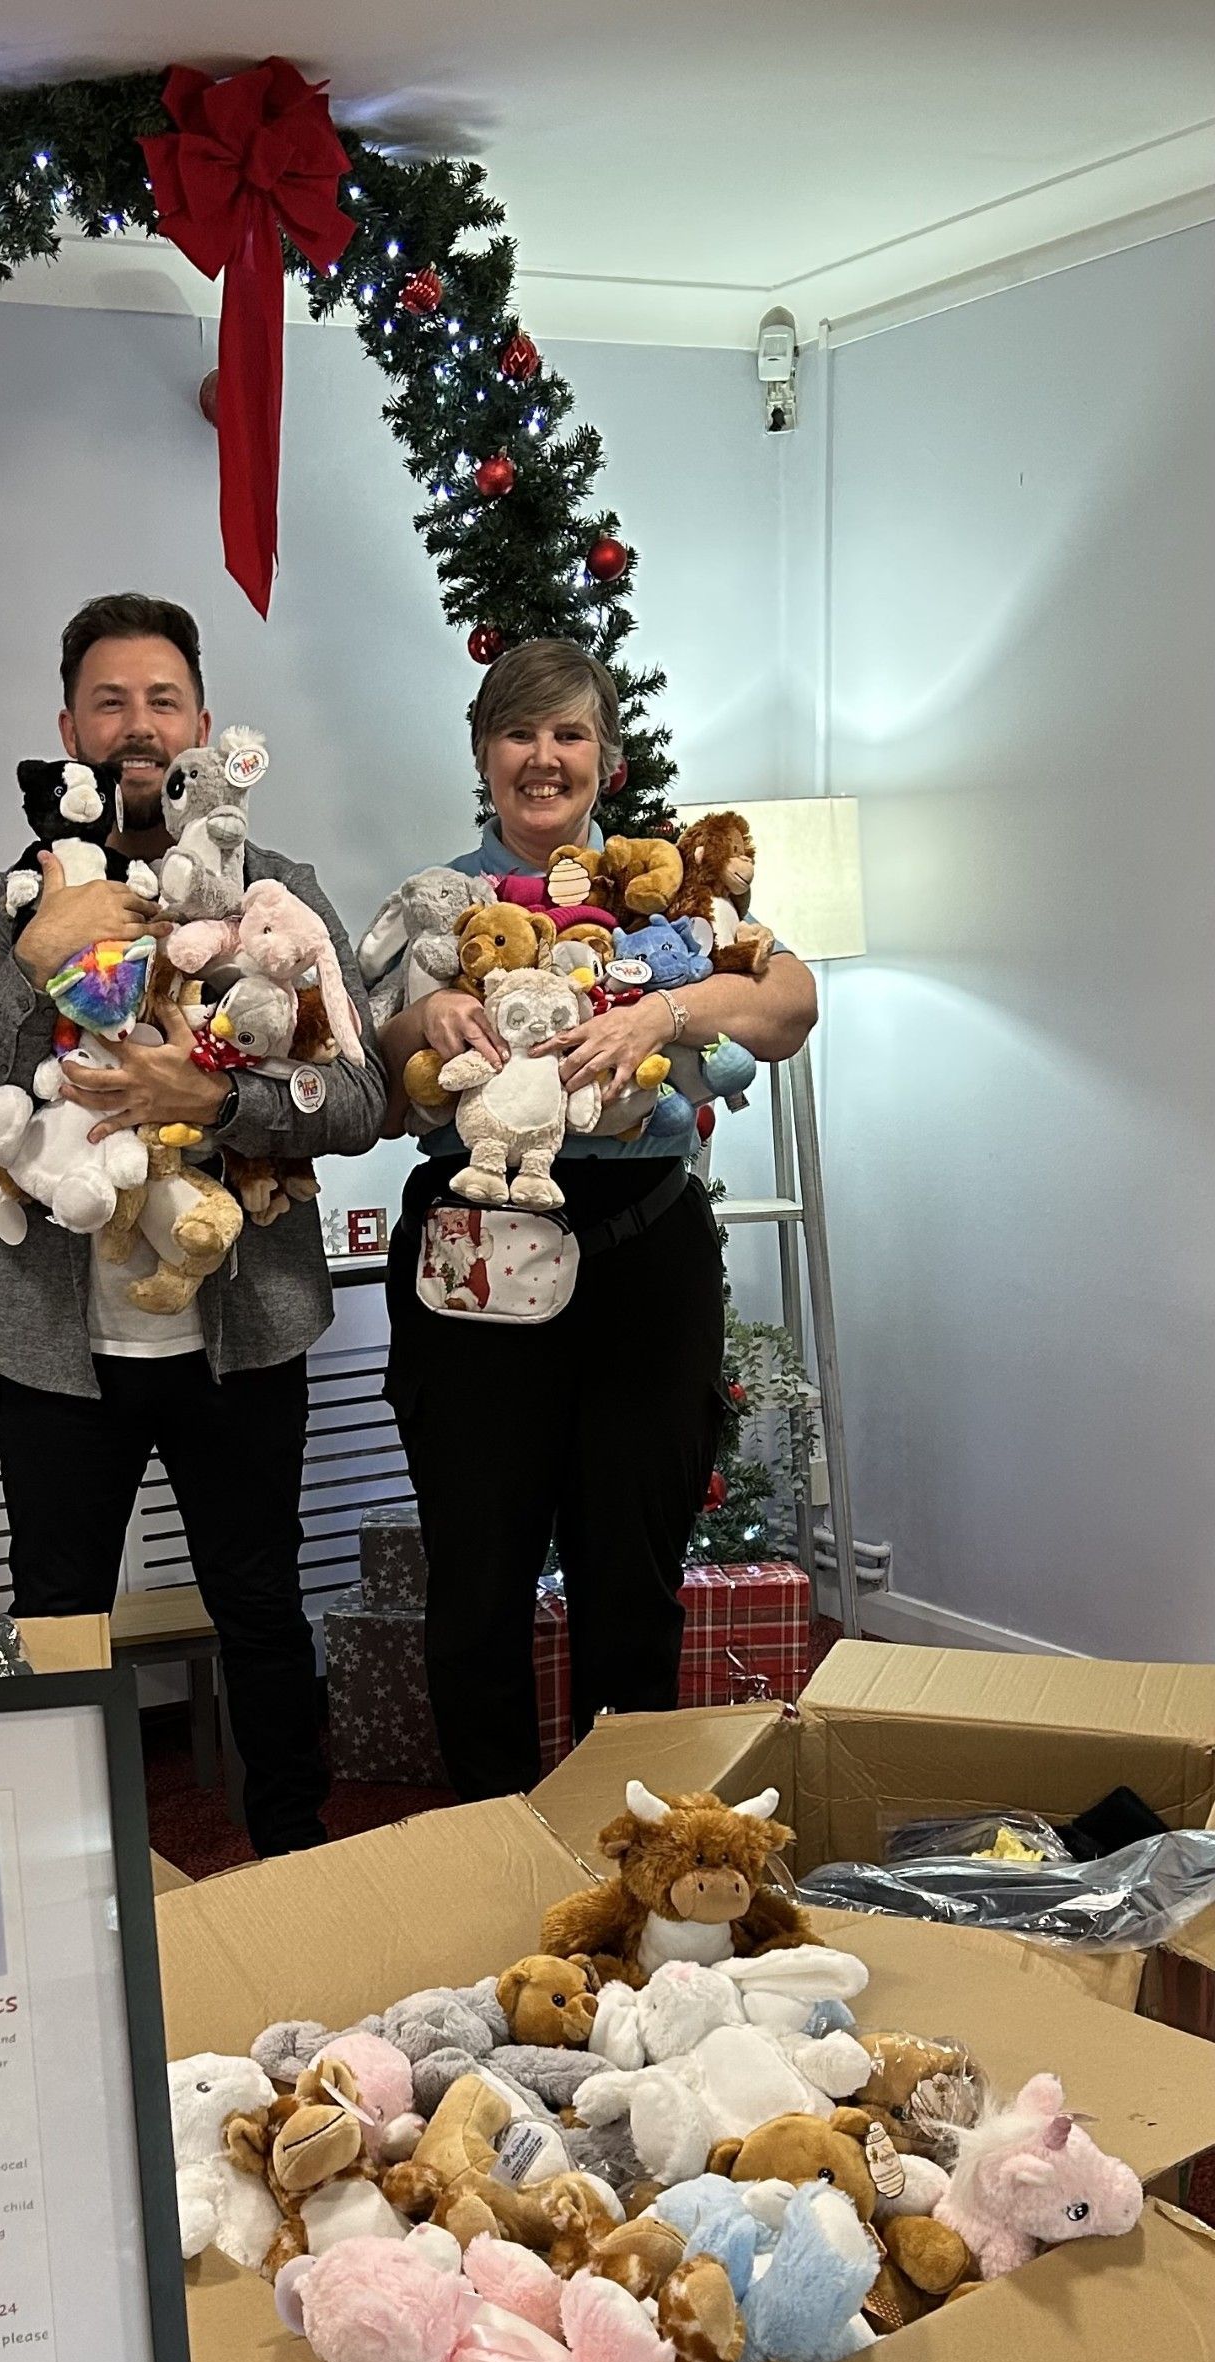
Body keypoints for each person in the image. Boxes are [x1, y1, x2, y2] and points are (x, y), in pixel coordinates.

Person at [0, 592, 385, 1855]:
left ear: (203, 721)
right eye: (112, 702)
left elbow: (357, 1093)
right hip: (60, 1350)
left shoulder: (275, 892)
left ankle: (290, 1860)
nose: (139, 726)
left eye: (164, 700)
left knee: (260, 1607)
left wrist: (219, 1098)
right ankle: (68, 1885)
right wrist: (39, 961)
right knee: (60, 1618)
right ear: (67, 727)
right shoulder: (4, 901)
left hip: (242, 1336)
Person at [373, 639, 819, 1799]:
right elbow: (372, 1077)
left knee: (632, 1581)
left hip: (643, 1259)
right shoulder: (443, 906)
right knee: (477, 1584)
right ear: (484, 752)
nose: (544, 757)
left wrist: (662, 1011)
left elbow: (788, 1001)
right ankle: (490, 1845)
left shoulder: (664, 896)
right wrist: (425, 1018)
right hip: (476, 1260)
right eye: (519, 733)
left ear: (605, 759)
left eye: (569, 734)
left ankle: (630, 1858)